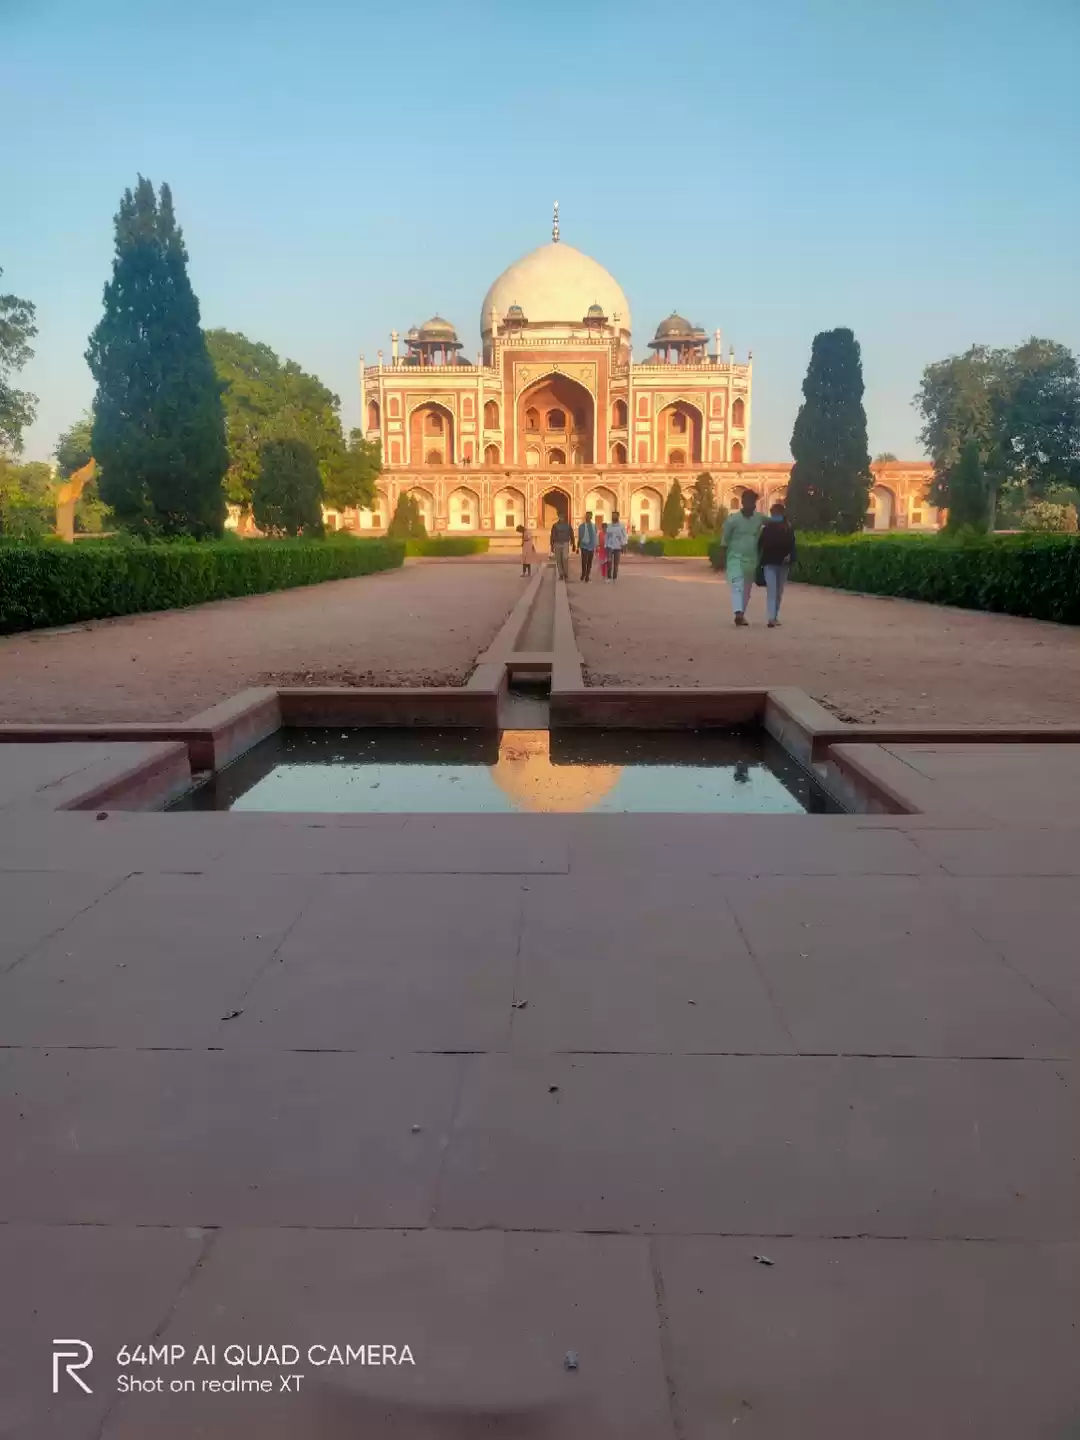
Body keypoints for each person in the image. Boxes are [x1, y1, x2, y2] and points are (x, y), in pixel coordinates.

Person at [719, 489, 765, 625]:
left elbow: (775, 522)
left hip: (751, 559)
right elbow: (724, 541)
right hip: (735, 557)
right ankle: (738, 612)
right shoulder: (732, 520)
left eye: (754, 502)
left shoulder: (759, 518)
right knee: (737, 585)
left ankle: (741, 614)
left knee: (746, 590)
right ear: (743, 502)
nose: (753, 505)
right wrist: (721, 560)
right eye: (750, 502)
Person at [758, 500, 797, 627]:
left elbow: (792, 546)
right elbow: (760, 545)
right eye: (773, 513)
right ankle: (771, 618)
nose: (775, 515)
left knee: (778, 591)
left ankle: (774, 616)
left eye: (776, 513)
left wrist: (790, 556)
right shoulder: (767, 529)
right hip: (769, 563)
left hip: (783, 564)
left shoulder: (788, 529)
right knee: (772, 590)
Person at [550, 513, 575, 581]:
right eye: (560, 517)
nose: (561, 518)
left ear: (564, 518)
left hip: (565, 543)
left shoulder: (567, 525)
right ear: (559, 517)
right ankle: (561, 574)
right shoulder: (555, 525)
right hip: (557, 543)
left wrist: (573, 543)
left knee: (565, 558)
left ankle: (566, 574)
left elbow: (571, 534)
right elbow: (552, 535)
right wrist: (551, 545)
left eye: (562, 517)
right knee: (559, 560)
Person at [605, 509, 628, 581]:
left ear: (618, 516)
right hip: (610, 546)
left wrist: (624, 545)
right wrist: (605, 545)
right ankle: (609, 577)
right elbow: (606, 536)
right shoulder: (609, 525)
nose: (613, 517)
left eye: (615, 515)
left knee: (616, 564)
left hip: (618, 547)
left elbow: (624, 536)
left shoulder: (621, 526)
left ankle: (614, 577)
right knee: (609, 562)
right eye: (612, 516)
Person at [577, 510, 598, 581]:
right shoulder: (581, 526)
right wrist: (577, 547)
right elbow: (580, 537)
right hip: (584, 546)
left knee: (589, 562)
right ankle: (583, 573)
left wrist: (596, 546)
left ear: (591, 517)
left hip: (591, 546)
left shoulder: (594, 526)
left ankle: (587, 575)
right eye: (587, 516)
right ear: (585, 516)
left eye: (589, 516)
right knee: (584, 561)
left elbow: (595, 536)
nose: (588, 517)